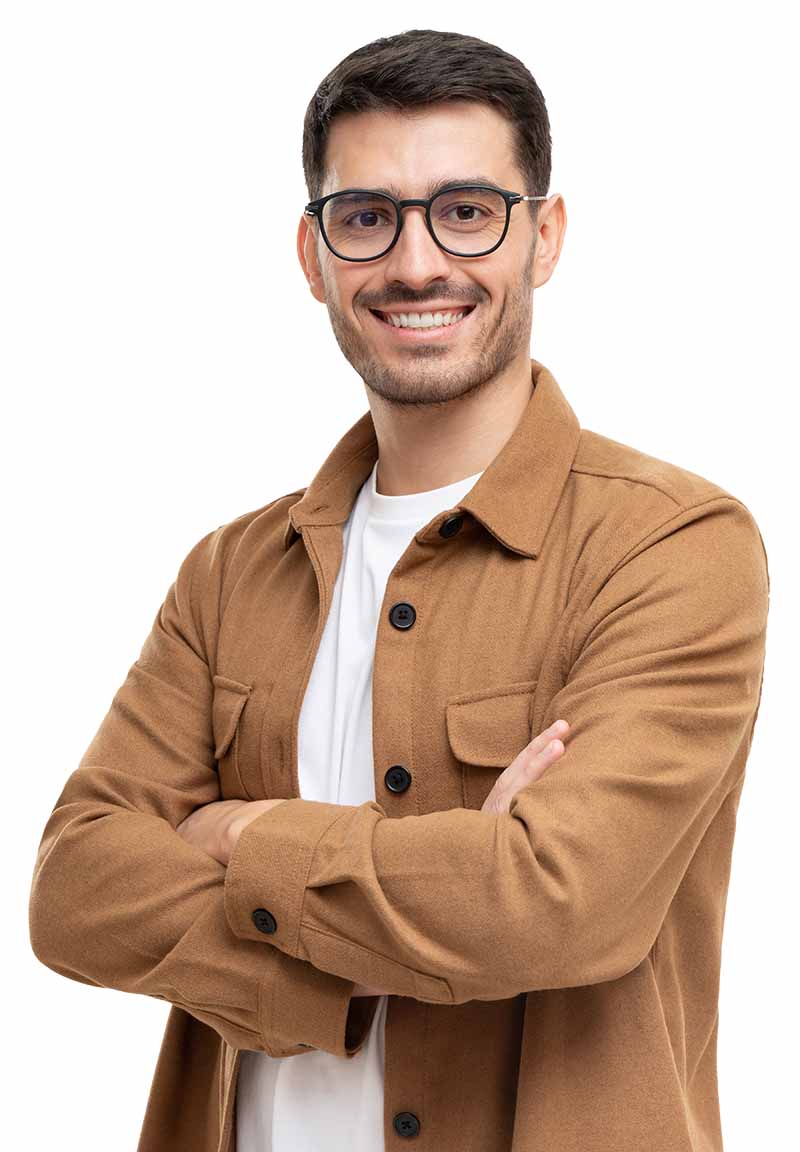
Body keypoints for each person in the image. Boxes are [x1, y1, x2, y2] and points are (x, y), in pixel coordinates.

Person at [29, 27, 770, 1152]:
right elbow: (74, 890)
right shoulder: (229, 572)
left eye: (467, 211)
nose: (417, 264)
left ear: (544, 236)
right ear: (313, 254)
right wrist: (438, 897)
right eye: (368, 216)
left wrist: (243, 832)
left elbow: (557, 907)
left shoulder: (670, 546)